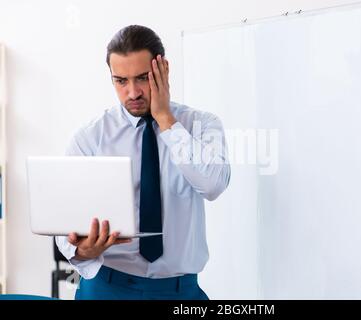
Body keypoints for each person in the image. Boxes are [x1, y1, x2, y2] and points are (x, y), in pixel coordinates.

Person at [56, 25, 230, 300]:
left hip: (179, 291)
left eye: (142, 78)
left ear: (163, 70)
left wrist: (166, 121)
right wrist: (83, 250)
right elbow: (63, 224)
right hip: (106, 287)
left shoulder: (202, 125)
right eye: (121, 81)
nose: (133, 92)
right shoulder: (90, 137)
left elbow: (213, 185)